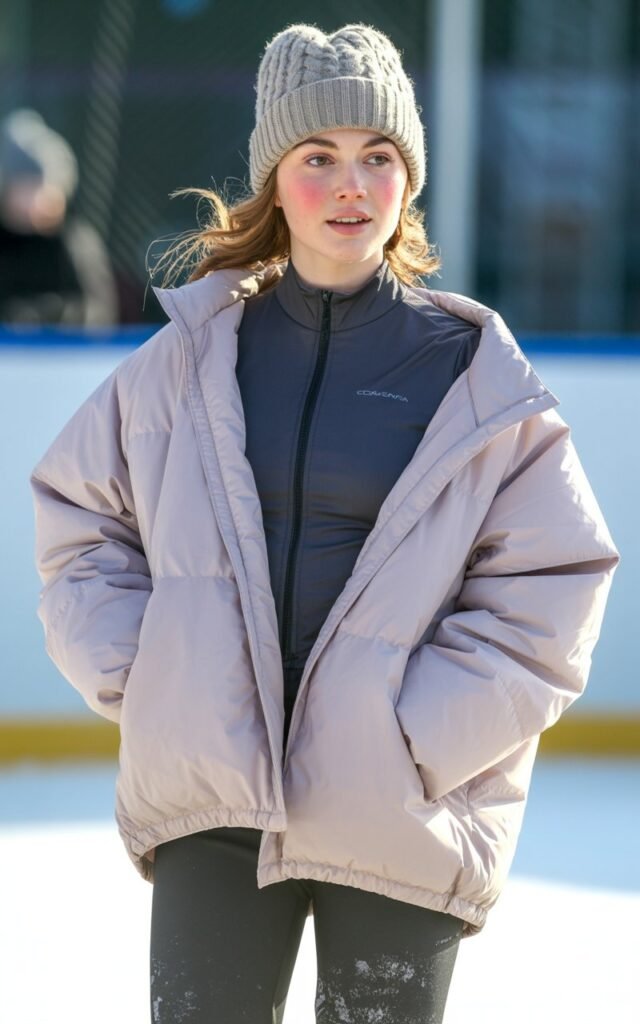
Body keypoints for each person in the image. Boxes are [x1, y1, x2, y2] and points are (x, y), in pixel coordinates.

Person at [29, 22, 619, 1024]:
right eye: (318, 158)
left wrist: (417, 732)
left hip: (401, 802)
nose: (351, 185)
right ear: (273, 178)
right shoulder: (188, 361)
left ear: (408, 177)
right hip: (213, 806)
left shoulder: (474, 376)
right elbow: (81, 518)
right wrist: (156, 673)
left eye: (377, 156)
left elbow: (554, 581)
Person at [0, 108, 118, 325]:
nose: (35, 199)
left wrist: (45, 316)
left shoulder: (75, 242)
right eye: (25, 187)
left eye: (41, 187)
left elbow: (98, 312)